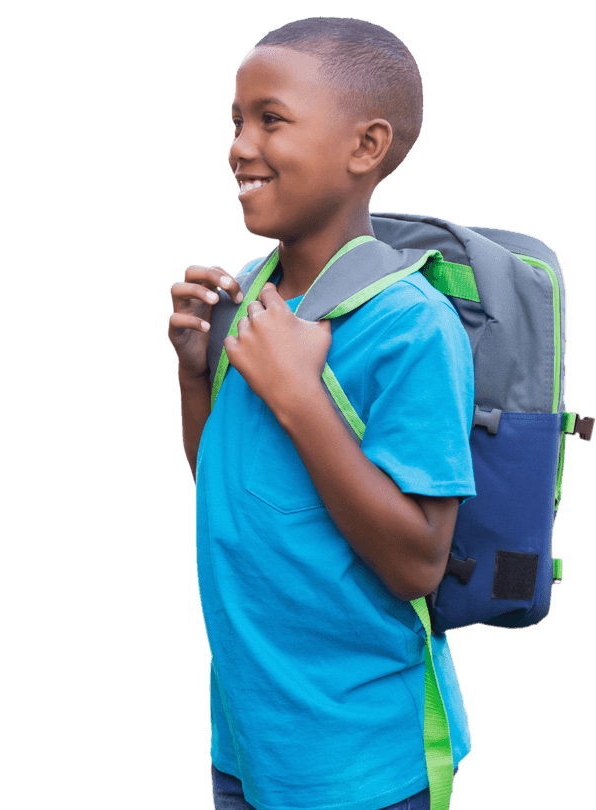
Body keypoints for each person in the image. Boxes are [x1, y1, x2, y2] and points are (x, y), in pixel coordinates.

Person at [168, 17, 475, 810]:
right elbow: (226, 488)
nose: (239, 146)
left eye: (271, 120)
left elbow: (417, 564)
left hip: (362, 759)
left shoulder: (410, 325)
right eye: (235, 123)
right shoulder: (251, 293)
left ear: (366, 147)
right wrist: (194, 376)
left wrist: (301, 396)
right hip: (248, 739)